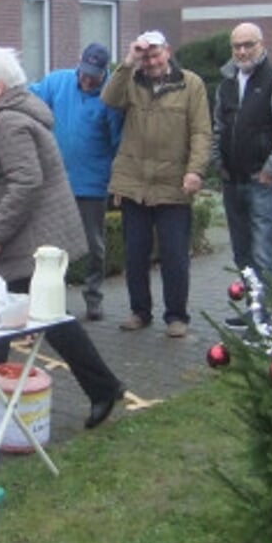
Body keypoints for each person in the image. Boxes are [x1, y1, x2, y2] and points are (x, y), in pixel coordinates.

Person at [0, 47, 129, 428]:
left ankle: (103, 387)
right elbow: (16, 173)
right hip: (32, 237)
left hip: (27, 240)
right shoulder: (14, 115)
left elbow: (27, 182)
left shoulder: (10, 123)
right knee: (5, 316)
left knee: (44, 318)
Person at [101, 29, 211, 338]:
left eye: (155, 54)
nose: (150, 62)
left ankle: (176, 316)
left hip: (173, 183)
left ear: (168, 51)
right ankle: (140, 312)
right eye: (145, 56)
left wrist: (196, 171)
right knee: (135, 253)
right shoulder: (131, 82)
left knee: (174, 255)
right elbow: (108, 99)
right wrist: (127, 62)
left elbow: (202, 132)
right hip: (134, 181)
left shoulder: (191, 84)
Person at [27, 42, 123, 321]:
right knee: (53, 245)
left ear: (104, 71)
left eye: (93, 74)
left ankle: (93, 297)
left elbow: (118, 142)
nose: (86, 78)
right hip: (54, 181)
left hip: (92, 183)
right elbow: (29, 101)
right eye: (84, 71)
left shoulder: (110, 99)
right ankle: (54, 298)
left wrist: (114, 179)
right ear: (78, 62)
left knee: (93, 245)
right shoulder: (57, 82)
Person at [212, 23, 272, 317]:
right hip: (232, 181)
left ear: (262, 45)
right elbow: (217, 128)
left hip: (265, 183)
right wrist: (218, 163)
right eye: (237, 46)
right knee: (242, 254)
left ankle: (265, 319)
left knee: (262, 253)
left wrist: (271, 169)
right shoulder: (226, 83)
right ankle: (253, 311)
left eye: (249, 44)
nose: (243, 51)